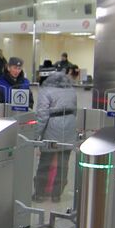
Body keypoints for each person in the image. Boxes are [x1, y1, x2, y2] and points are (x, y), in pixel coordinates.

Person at [32, 65, 79, 201]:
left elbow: (42, 116)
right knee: (63, 162)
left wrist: (36, 136)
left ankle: (40, 194)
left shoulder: (45, 91)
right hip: (69, 125)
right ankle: (56, 194)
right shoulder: (71, 90)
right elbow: (75, 110)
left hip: (52, 126)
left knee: (46, 161)